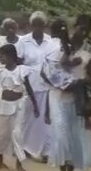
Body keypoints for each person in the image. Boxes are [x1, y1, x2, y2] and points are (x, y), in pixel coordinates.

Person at [43, 18, 91, 171]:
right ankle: (61, 166)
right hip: (58, 95)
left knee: (74, 134)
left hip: (77, 97)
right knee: (60, 131)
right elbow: (49, 71)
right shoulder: (58, 47)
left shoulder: (90, 50)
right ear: (74, 27)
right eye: (81, 28)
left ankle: (70, 170)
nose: (83, 32)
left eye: (87, 29)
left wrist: (79, 83)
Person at [16, 11, 59, 162]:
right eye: (35, 25)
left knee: (46, 118)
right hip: (29, 83)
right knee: (30, 116)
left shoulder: (50, 41)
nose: (38, 28)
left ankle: (45, 150)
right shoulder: (24, 41)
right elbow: (20, 63)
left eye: (41, 25)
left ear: (44, 26)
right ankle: (26, 146)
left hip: (47, 83)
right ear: (31, 25)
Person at [0, 43, 37, 171]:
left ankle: (19, 161)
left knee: (17, 133)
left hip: (19, 105)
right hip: (5, 106)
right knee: (3, 134)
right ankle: (0, 156)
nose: (0, 58)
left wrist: (35, 105)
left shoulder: (22, 70)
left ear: (10, 57)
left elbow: (28, 88)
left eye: (2, 56)